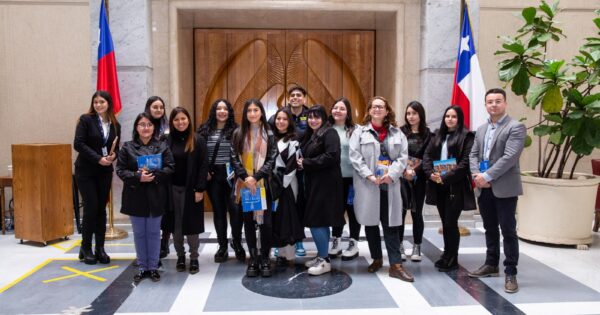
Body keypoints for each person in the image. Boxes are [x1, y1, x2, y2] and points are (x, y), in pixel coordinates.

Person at [349, 96, 414, 282]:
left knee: (391, 226)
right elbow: (355, 158)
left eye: (381, 107)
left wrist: (391, 175)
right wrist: (369, 175)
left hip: (389, 186)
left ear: (387, 111)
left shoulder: (397, 134)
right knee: (370, 224)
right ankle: (376, 259)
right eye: (374, 107)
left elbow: (403, 158)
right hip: (368, 185)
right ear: (369, 110)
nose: (377, 109)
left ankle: (395, 265)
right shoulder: (359, 133)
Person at [468, 88, 526, 294]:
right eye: (490, 102)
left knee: (508, 231)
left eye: (498, 101)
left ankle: (511, 272)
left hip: (504, 187)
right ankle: (491, 264)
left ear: (505, 103)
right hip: (483, 187)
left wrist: (488, 176)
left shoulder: (515, 127)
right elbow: (473, 155)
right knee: (489, 227)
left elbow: (509, 157)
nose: (493, 105)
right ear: (485, 105)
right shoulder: (482, 129)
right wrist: (478, 176)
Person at [116, 112, 174, 283]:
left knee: (154, 233)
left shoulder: (162, 146)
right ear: (136, 127)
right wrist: (137, 176)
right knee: (140, 233)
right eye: (142, 124)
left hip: (156, 195)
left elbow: (170, 167)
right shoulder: (127, 147)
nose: (146, 127)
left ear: (153, 127)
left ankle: (153, 267)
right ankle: (143, 267)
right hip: (136, 195)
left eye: (149, 124)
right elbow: (120, 170)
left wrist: (154, 175)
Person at [423, 105, 476, 272]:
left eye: (454, 117)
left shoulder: (467, 136)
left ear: (459, 119)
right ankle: (446, 254)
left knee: (451, 222)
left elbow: (465, 164)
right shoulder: (438, 135)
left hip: (455, 186)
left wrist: (444, 177)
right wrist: (431, 174)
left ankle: (452, 258)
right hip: (438, 185)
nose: (450, 119)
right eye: (447, 116)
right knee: (445, 223)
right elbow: (427, 156)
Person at [231, 99, 277, 277]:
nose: (252, 113)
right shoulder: (238, 133)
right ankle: (253, 259)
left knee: (266, 224)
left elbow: (272, 159)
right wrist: (245, 177)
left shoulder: (269, 134)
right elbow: (234, 158)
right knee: (248, 223)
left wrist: (256, 177)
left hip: (263, 185)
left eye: (255, 110)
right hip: (244, 185)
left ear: (261, 112)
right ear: (245, 113)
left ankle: (265, 258)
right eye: (249, 110)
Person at [74, 90, 121, 265]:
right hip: (86, 171)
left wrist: (112, 157)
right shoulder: (86, 120)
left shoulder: (116, 124)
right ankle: (86, 247)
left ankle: (100, 248)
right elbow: (78, 144)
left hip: (104, 172)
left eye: (102, 102)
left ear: (109, 103)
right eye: (96, 102)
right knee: (91, 207)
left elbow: (115, 148)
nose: (98, 105)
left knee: (101, 209)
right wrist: (98, 158)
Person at [297, 105, 344, 276]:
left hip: (327, 185)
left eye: (317, 117)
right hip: (316, 184)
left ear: (324, 118)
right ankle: (322, 256)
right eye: (310, 117)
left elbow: (332, 156)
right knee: (320, 222)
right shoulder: (313, 134)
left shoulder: (330, 133)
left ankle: (324, 261)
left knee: (317, 221)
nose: (313, 120)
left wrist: (307, 163)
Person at [197, 99, 245, 263]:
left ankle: (237, 243)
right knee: (218, 212)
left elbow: (242, 153)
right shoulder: (204, 130)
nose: (222, 111)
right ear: (214, 111)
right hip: (213, 176)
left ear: (229, 111)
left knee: (236, 211)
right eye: (219, 108)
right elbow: (200, 154)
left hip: (233, 175)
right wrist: (204, 172)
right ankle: (222, 246)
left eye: (225, 108)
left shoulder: (237, 130)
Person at [166, 107, 208, 275]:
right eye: (176, 120)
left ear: (189, 120)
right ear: (172, 122)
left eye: (183, 119)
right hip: (172, 190)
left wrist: (200, 189)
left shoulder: (198, 140)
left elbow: (203, 166)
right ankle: (181, 256)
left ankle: (194, 257)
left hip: (192, 190)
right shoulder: (166, 141)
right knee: (175, 225)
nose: (180, 122)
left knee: (191, 225)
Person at [269, 108, 305, 266]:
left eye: (284, 119)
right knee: (274, 218)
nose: (281, 122)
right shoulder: (269, 138)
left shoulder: (294, 141)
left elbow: (292, 167)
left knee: (287, 218)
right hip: (271, 183)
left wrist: (280, 186)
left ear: (290, 122)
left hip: (287, 185)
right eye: (278, 119)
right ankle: (275, 251)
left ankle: (287, 255)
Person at [327, 97, 361, 260]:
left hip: (353, 179)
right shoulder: (327, 129)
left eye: (341, 108)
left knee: (353, 211)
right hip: (334, 179)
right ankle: (336, 240)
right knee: (336, 210)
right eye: (335, 108)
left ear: (348, 112)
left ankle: (353, 243)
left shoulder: (356, 130)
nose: (337, 111)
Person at [399, 101, 432, 262]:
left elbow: (427, 156)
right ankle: (399, 245)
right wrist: (405, 170)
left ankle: (417, 246)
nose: (410, 116)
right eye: (408, 113)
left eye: (414, 113)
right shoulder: (400, 132)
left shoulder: (428, 134)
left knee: (416, 212)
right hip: (402, 177)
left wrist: (415, 171)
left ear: (421, 115)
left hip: (419, 179)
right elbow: (397, 154)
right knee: (400, 212)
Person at [143, 96, 172, 259]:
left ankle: (164, 243)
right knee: (149, 211)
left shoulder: (167, 127)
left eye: (161, 107)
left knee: (166, 210)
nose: (159, 110)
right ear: (148, 108)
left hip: (165, 174)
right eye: (155, 107)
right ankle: (149, 244)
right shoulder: (143, 124)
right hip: (147, 174)